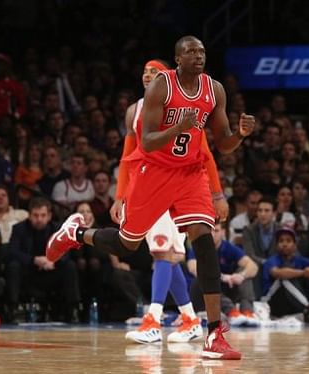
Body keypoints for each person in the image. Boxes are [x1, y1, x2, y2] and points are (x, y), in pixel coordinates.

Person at [46, 36, 254, 360]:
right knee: (127, 244)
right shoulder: (161, 87)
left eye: (201, 51)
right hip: (154, 172)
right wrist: (179, 127)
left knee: (203, 238)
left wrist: (239, 135)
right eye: (190, 52)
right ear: (177, 59)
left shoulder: (214, 90)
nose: (198, 56)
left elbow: (221, 146)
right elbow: (148, 142)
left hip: (190, 175)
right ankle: (76, 234)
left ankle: (214, 333)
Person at [111, 59, 228, 344]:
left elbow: (206, 154)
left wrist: (217, 193)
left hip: (178, 183)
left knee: (163, 253)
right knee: (164, 256)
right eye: (145, 71)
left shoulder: (180, 104)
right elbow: (127, 158)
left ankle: (153, 319)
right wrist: (120, 196)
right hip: (147, 183)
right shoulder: (134, 111)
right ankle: (189, 319)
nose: (148, 75)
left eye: (155, 71)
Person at [187, 222, 258, 326]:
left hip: (226, 289)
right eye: (210, 231)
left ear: (223, 232)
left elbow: (253, 266)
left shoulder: (229, 248)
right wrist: (222, 277)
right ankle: (232, 312)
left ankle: (248, 312)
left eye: (216, 231)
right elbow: (192, 267)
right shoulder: (198, 247)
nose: (212, 234)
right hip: (204, 295)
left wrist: (241, 276)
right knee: (202, 277)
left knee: (244, 274)